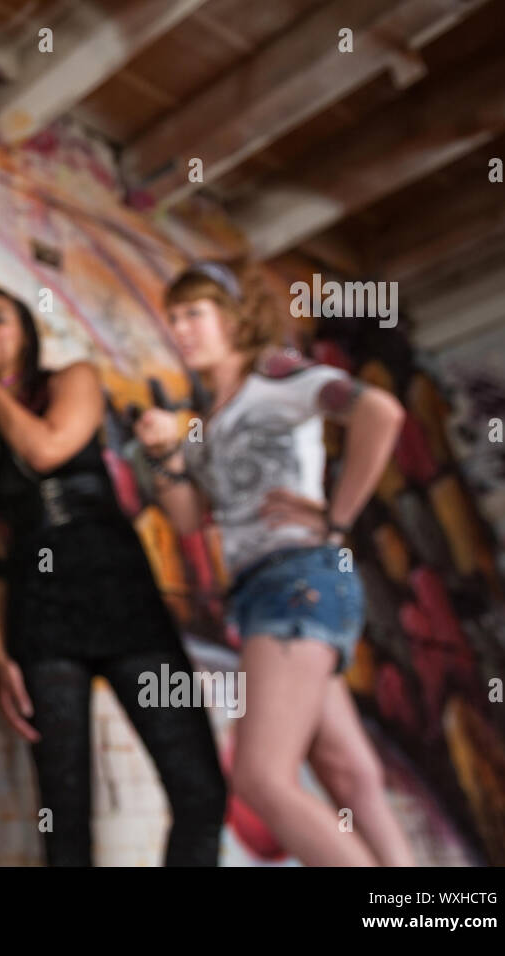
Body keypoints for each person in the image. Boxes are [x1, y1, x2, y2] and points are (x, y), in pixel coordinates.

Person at [134, 261, 415, 866]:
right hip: (269, 591)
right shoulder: (211, 419)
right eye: (174, 317)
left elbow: (380, 412)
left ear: (236, 318)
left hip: (297, 580)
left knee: (262, 777)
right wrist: (164, 457)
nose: (181, 329)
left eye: (195, 313)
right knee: (349, 775)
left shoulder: (276, 373)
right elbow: (188, 519)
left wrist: (336, 519)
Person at [0, 286, 226, 866]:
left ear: (26, 329)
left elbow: (48, 450)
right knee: (64, 821)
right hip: (38, 610)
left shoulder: (74, 378)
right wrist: (0, 651)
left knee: (200, 790)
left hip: (120, 590)